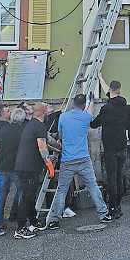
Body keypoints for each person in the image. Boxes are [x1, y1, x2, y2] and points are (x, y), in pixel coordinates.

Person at [48, 93, 111, 229]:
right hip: (83, 159)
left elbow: (60, 136)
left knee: (61, 190)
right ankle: (103, 213)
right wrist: (91, 100)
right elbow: (90, 110)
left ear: (73, 103)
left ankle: (54, 219)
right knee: (93, 186)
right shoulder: (86, 117)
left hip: (67, 159)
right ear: (83, 105)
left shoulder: (63, 117)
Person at [14, 101, 54, 239]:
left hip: (23, 166)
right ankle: (20, 229)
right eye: (47, 108)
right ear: (43, 112)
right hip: (29, 167)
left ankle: (33, 222)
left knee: (30, 196)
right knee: (27, 197)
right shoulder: (39, 126)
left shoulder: (32, 124)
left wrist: (58, 146)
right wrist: (49, 164)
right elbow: (42, 147)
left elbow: (48, 140)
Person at [90, 79, 127, 219]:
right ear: (119, 89)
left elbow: (94, 124)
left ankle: (112, 207)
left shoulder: (106, 109)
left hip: (110, 147)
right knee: (119, 175)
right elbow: (111, 95)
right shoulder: (123, 103)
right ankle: (118, 205)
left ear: (110, 90)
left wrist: (89, 112)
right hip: (122, 144)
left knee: (111, 178)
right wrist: (101, 79)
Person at [0, 107, 25, 237]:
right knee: (22, 193)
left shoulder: (3, 129)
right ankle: (20, 224)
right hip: (16, 167)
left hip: (2, 166)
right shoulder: (23, 131)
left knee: (0, 196)